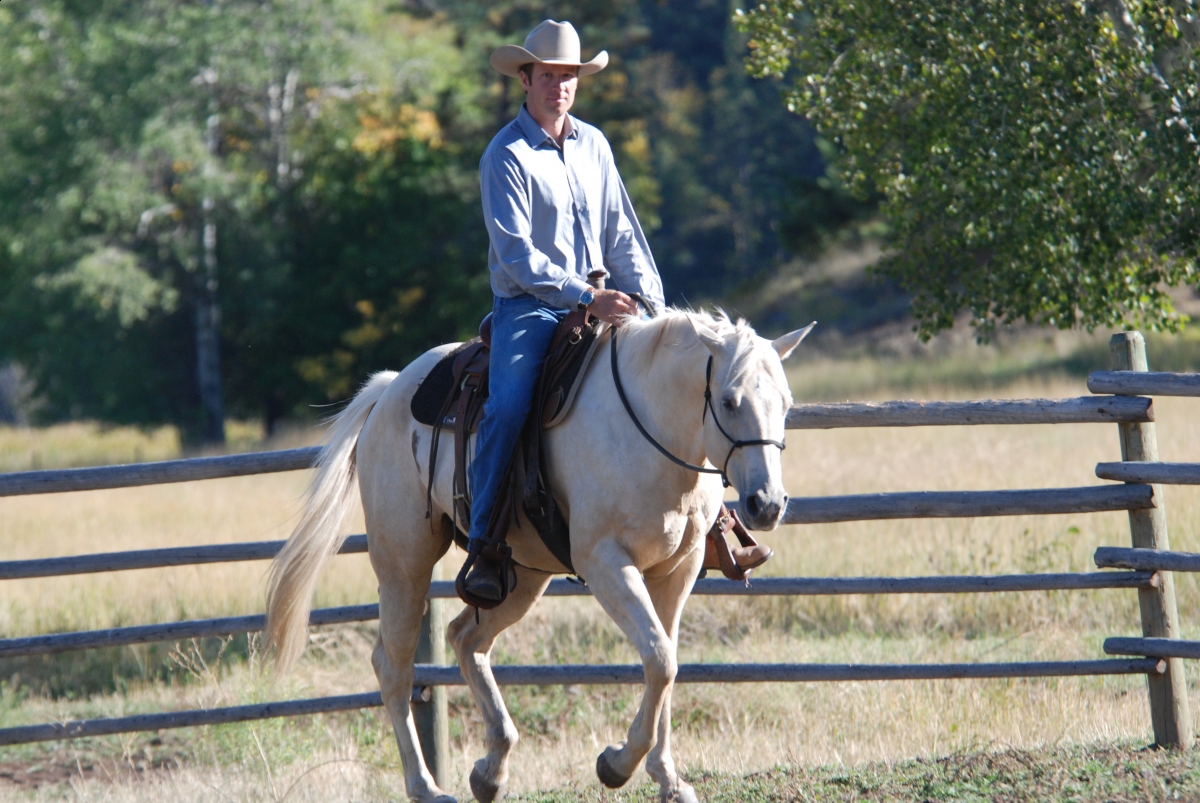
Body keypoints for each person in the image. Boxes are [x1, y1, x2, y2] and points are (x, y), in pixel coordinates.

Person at [462, 20, 768, 601]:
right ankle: (485, 543)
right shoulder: (505, 155)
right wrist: (584, 295)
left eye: (569, 77)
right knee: (507, 406)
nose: (559, 87)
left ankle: (714, 521)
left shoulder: (594, 145)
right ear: (525, 78)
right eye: (548, 76)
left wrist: (652, 306)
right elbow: (516, 254)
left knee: (679, 383)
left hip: (609, 299)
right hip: (532, 306)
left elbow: (623, 233)